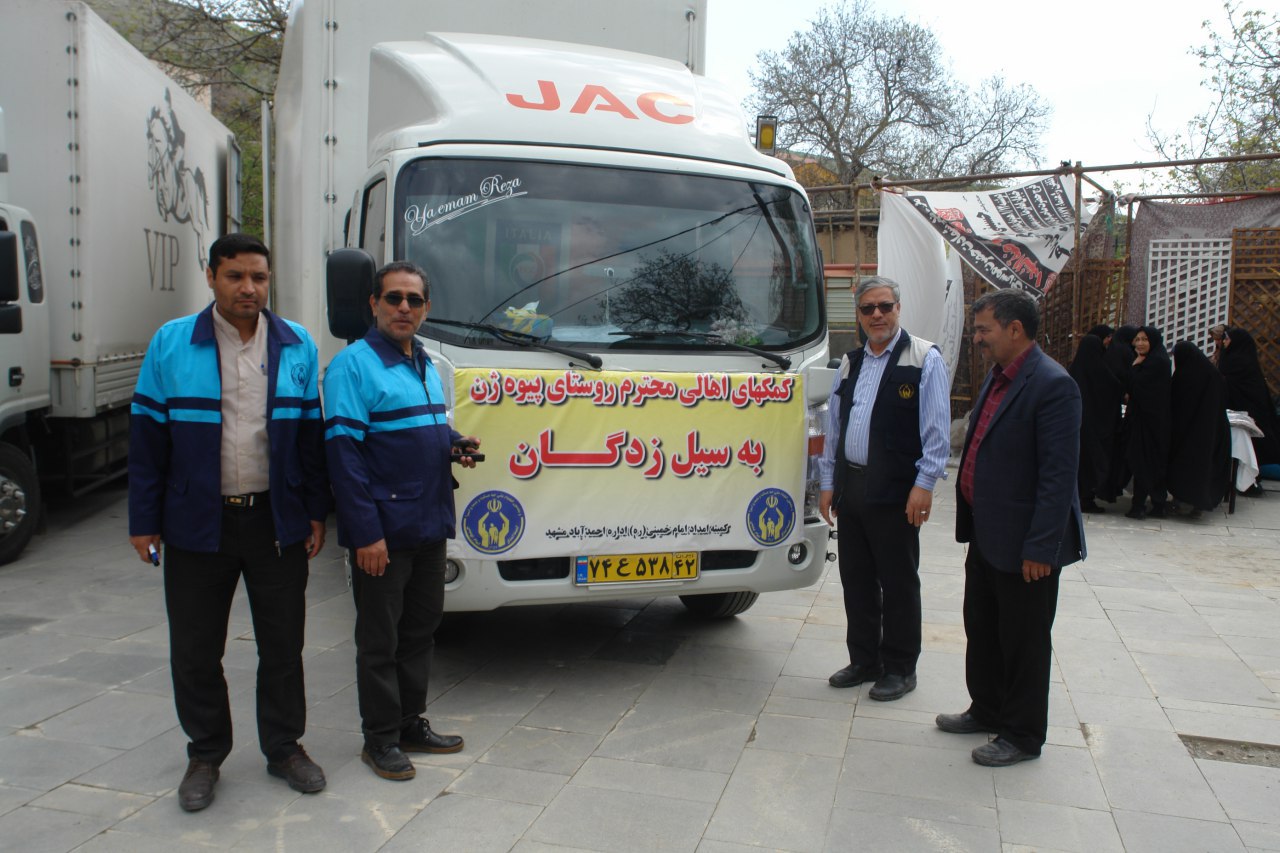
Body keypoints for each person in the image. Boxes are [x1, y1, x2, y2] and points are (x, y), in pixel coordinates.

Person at [128, 233, 330, 812]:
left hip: (275, 520)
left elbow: (311, 441)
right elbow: (147, 442)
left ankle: (285, 748)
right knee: (195, 649)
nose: (249, 288)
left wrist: (315, 510)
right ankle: (206, 754)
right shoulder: (172, 344)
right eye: (235, 276)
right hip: (197, 523)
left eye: (259, 278)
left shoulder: (296, 346)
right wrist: (145, 520)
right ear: (211, 277)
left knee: (283, 645)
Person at [323, 261, 479, 781]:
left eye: (414, 300)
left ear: (426, 308)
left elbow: (422, 426)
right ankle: (381, 739)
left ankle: (411, 722)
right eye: (393, 298)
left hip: (430, 524)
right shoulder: (353, 366)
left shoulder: (426, 365)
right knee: (380, 640)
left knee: (419, 632)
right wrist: (365, 533)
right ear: (373, 304)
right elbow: (344, 457)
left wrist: (455, 444)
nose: (404, 308)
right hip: (384, 535)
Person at [940, 287, 1084, 767]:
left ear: (1015, 329)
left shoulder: (1053, 385)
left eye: (983, 329)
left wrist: (1041, 547)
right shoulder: (1000, 377)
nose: (977, 338)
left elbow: (1058, 477)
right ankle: (987, 709)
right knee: (982, 627)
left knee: (1023, 640)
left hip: (1027, 545)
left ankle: (1021, 734)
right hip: (987, 534)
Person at [818, 276, 950, 702]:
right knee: (855, 579)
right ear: (858, 315)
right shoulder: (850, 363)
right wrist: (826, 483)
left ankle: (899, 667)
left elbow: (936, 432)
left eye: (885, 306)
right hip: (852, 488)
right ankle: (864, 660)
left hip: (896, 492)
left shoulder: (923, 358)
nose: (877, 315)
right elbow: (834, 428)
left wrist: (924, 484)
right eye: (868, 308)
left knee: (897, 583)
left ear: (898, 308)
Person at [1168, 341, 1230, 515]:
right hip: (1208, 432)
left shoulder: (1181, 376)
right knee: (1203, 468)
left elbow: (1175, 404)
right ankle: (1199, 504)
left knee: (1181, 466)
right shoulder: (1213, 375)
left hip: (1184, 433)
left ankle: (1178, 499)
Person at [1069, 335, 1123, 513]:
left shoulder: (1073, 371)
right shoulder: (1101, 371)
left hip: (1076, 426)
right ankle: (1086, 498)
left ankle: (1079, 497)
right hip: (1095, 427)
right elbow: (1115, 389)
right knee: (1092, 463)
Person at [1124, 325, 1172, 519]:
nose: (1140, 343)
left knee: (1144, 461)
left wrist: (1135, 367)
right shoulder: (1154, 359)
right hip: (1150, 420)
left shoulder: (1155, 362)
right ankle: (1156, 504)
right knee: (1150, 462)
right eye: (1138, 339)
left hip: (1149, 422)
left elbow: (1136, 388)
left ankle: (1140, 506)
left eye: (1144, 339)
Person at [1219, 327, 1280, 468]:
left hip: (1248, 408)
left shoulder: (1237, 361)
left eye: (1227, 339)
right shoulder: (1234, 357)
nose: (1224, 342)